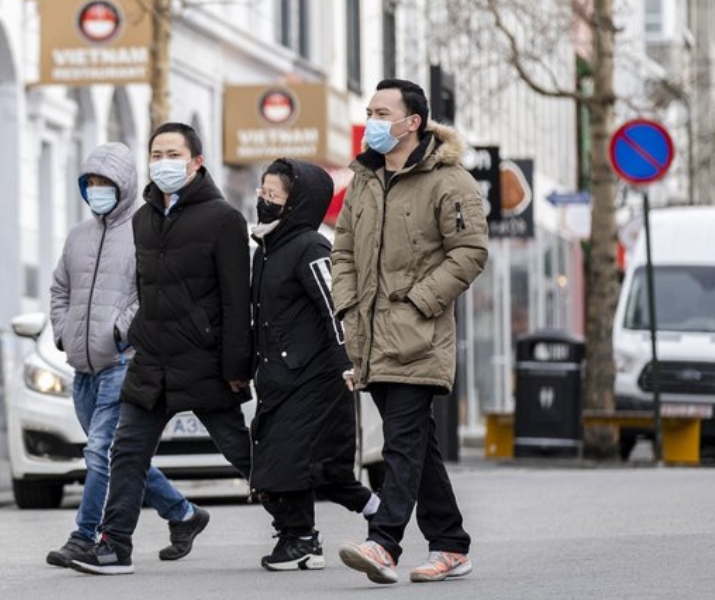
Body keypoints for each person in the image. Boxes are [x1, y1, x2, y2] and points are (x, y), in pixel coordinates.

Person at [70, 123, 254, 576]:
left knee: (242, 451)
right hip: (151, 361)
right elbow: (143, 287)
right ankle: (115, 547)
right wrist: (133, 334)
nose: (163, 162)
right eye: (156, 154)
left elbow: (237, 301)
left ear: (196, 162)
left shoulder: (224, 219)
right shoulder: (143, 219)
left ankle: (296, 529)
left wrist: (237, 366)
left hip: (203, 360)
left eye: (174, 154)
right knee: (127, 451)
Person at [331, 79, 489, 585]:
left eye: (383, 113)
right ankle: (451, 544)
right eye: (370, 112)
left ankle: (383, 542)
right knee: (418, 445)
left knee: (401, 442)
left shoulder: (449, 180)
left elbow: (470, 251)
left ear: (412, 122)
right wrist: (347, 304)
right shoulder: (364, 179)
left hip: (418, 335)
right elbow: (343, 248)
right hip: (369, 335)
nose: (373, 122)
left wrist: (420, 302)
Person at [45, 142, 202, 568]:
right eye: (91, 182)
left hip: (122, 362)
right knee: (118, 456)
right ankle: (183, 514)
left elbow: (153, 291)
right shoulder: (78, 235)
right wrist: (62, 332)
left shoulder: (144, 230)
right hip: (83, 368)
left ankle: (84, 536)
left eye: (106, 182)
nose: (98, 189)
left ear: (125, 184)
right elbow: (60, 289)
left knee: (100, 453)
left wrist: (120, 331)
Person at [249, 158, 380, 572]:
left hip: (316, 377)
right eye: (262, 192)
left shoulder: (311, 246)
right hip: (278, 378)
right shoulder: (266, 250)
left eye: (273, 195)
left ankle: (302, 539)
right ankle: (372, 513)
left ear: (297, 202)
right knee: (292, 464)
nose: (263, 201)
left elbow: (336, 309)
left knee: (295, 462)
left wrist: (348, 362)